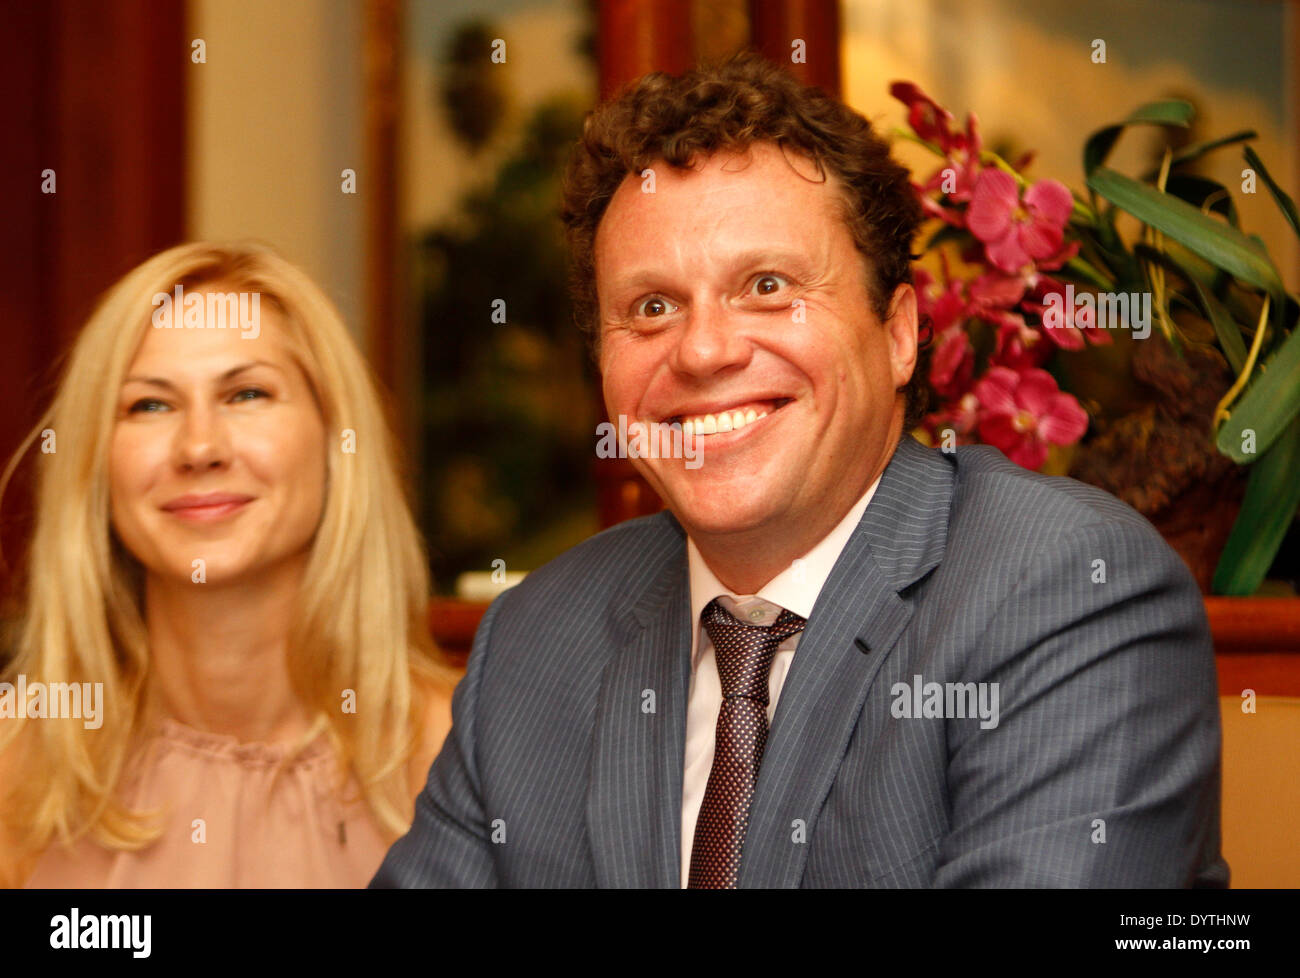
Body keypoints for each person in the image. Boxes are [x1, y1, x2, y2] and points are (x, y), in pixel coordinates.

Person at [372, 54, 1226, 888]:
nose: (704, 349)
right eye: (652, 307)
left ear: (898, 333)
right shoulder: (535, 641)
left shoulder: (1072, 590)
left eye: (767, 285)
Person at [0, 242, 455, 887]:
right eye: (149, 405)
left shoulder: (461, 758)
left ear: (334, 441)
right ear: (95, 465)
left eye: (246, 394)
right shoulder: (17, 771)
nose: (200, 447)